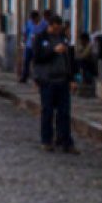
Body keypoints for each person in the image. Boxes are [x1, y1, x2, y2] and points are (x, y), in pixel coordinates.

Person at [31, 16, 77, 153]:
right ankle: (46, 140)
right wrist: (53, 51)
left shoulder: (62, 39)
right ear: (50, 25)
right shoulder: (40, 38)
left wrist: (71, 79)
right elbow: (37, 57)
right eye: (55, 28)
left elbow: (68, 60)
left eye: (59, 28)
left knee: (64, 113)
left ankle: (66, 142)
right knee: (48, 112)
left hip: (62, 81)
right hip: (47, 81)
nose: (57, 31)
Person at [19, 10, 48, 83]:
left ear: (38, 17)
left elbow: (46, 34)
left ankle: (37, 78)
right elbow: (25, 33)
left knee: (37, 63)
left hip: (38, 47)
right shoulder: (28, 23)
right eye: (32, 19)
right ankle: (24, 77)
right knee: (26, 62)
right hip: (29, 45)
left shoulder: (44, 24)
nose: (33, 21)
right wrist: (23, 42)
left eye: (34, 19)